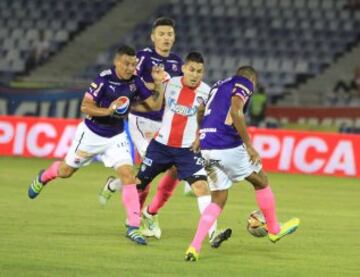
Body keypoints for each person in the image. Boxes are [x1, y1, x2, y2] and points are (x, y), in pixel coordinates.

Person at [27, 45, 165, 246]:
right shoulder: (104, 79)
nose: (130, 68)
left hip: (116, 136)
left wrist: (159, 85)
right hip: (91, 134)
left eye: (133, 64)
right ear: (117, 62)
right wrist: (109, 111)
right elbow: (85, 106)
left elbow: (154, 106)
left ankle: (133, 227)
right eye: (126, 64)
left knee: (129, 176)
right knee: (66, 172)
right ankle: (45, 176)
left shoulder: (136, 82)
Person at [101, 52, 232, 247]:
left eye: (199, 71)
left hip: (187, 150)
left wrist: (200, 138)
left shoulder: (207, 92)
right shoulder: (170, 83)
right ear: (183, 69)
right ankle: (114, 185)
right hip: (161, 146)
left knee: (201, 187)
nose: (195, 75)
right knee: (137, 183)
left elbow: (209, 120)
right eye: (191, 70)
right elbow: (154, 104)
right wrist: (158, 84)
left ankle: (213, 234)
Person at [184, 66, 300, 262]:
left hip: (207, 146)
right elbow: (237, 111)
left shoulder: (217, 86)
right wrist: (249, 145)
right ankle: (274, 229)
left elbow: (201, 111)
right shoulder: (244, 83)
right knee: (261, 180)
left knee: (218, 199)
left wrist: (199, 136)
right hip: (226, 144)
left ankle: (194, 247)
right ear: (253, 80)